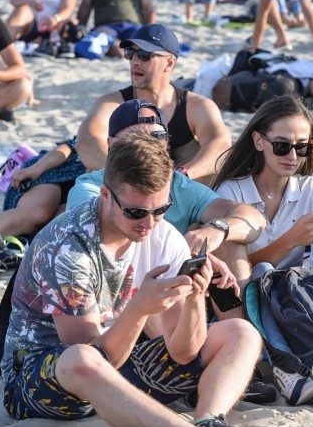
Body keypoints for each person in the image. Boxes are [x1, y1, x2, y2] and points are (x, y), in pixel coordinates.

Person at [2, 132, 282, 427]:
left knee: (241, 333)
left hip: (118, 367)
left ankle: (210, 421)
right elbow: (94, 358)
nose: (149, 224)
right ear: (106, 196)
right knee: (83, 359)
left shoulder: (160, 234)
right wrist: (138, 310)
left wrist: (195, 296)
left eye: (160, 209)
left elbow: (181, 351)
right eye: (136, 212)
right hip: (43, 378)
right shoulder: (68, 248)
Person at [212, 94, 313, 403]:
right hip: (250, 304)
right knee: (265, 273)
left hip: (298, 301)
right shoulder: (231, 192)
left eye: (303, 147)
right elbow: (230, 270)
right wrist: (291, 239)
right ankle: (285, 367)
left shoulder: (310, 189)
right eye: (282, 146)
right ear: (258, 141)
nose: (292, 156)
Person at [69, 99, 266, 320]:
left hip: (174, 294)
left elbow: (254, 219)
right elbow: (98, 229)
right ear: (112, 145)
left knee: (228, 242)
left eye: (157, 137)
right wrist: (184, 252)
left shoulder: (177, 185)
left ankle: (239, 327)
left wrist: (218, 230)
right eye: (137, 138)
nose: (149, 146)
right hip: (115, 298)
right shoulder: (90, 186)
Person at [77, 24, 231, 182]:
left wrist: (180, 177)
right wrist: (129, 178)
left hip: (181, 192)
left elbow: (221, 146)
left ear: (169, 63)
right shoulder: (113, 103)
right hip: (127, 191)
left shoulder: (196, 106)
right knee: (89, 174)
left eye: (144, 54)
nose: (135, 61)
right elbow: (87, 140)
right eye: (130, 52)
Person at [0, 137, 85, 273]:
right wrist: (36, 168)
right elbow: (73, 145)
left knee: (60, 224)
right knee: (37, 214)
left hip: (91, 186)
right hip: (62, 169)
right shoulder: (103, 117)